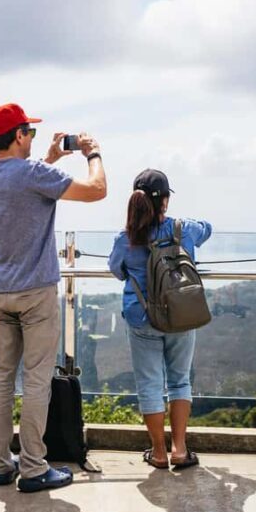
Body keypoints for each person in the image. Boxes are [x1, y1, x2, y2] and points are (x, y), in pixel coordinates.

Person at [0, 103, 106, 493]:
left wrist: (50, 157)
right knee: (36, 381)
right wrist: (92, 153)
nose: (32, 137)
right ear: (18, 136)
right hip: (36, 293)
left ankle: (2, 464)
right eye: (28, 132)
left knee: (1, 378)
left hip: (2, 293)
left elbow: (26, 186)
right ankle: (33, 467)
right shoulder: (34, 174)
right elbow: (97, 191)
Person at [108, 169, 212, 470]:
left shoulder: (125, 238)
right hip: (181, 315)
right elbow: (208, 228)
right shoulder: (184, 229)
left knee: (150, 385)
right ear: (165, 200)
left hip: (142, 318)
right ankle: (180, 449)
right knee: (180, 381)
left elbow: (117, 270)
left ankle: (158, 453)